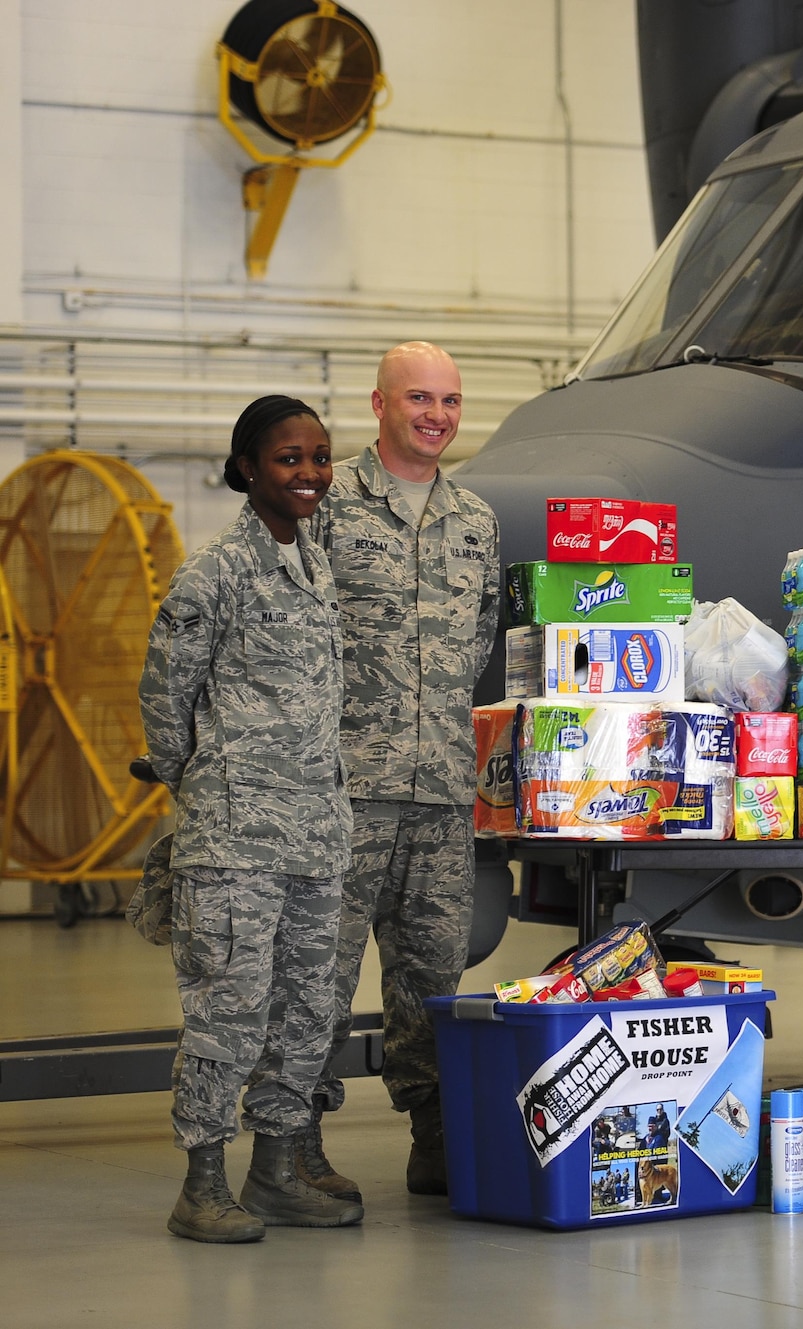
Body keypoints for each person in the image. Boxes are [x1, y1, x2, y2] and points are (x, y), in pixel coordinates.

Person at [140, 396, 361, 1241]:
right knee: (227, 1012)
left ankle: (274, 1172)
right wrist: (205, 785)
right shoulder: (213, 574)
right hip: (235, 839)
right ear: (245, 469)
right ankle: (202, 1186)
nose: (308, 474)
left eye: (318, 457)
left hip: (317, 834)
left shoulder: (315, 566)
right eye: (286, 459)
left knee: (305, 1012)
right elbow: (165, 703)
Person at [305, 342, 501, 1199]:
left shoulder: (477, 521)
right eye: (419, 397)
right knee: (317, 972)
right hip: (344, 788)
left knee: (433, 974)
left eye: (451, 401)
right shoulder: (327, 506)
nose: (437, 414)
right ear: (379, 403)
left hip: (439, 792)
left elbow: (481, 640)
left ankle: (435, 1138)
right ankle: (294, 1143)